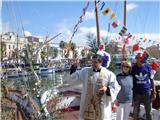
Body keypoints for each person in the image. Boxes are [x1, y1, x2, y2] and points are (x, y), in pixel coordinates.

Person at [66, 54, 121, 120]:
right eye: (92, 62)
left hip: (101, 106)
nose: (93, 64)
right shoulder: (85, 71)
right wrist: (74, 66)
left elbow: (115, 87)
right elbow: (74, 78)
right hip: (88, 105)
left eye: (95, 62)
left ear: (101, 62)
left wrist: (107, 89)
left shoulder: (109, 74)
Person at [131, 52, 156, 120]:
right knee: (135, 113)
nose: (139, 59)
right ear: (136, 59)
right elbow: (130, 81)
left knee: (149, 113)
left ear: (143, 58)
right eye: (138, 58)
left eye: (141, 58)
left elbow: (152, 79)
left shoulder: (148, 67)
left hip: (147, 93)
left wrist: (154, 92)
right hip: (136, 93)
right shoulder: (133, 68)